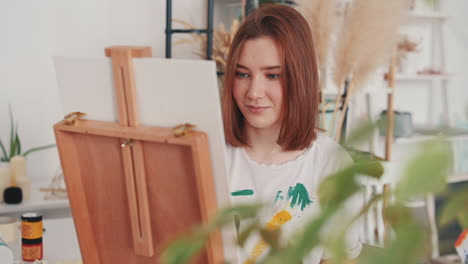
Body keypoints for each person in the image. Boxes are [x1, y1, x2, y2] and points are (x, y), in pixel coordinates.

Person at [222, 4, 363, 264]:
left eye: (273, 75)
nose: (253, 91)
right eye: (242, 74)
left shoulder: (331, 163)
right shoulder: (210, 154)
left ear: (300, 78)